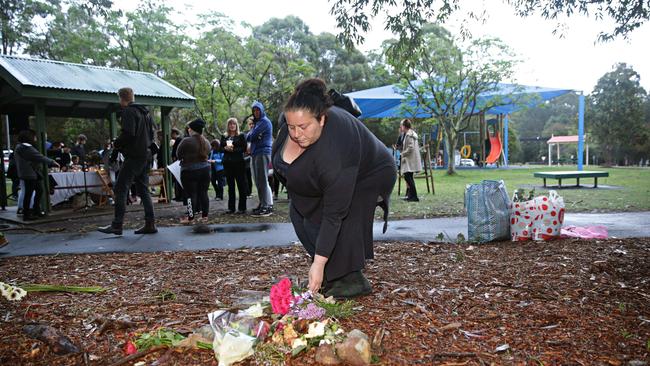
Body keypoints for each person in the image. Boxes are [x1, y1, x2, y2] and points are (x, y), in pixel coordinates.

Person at [272, 78, 396, 298]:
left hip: (371, 172)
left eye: (303, 127)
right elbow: (285, 170)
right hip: (337, 171)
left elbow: (333, 214)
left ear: (321, 119)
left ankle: (351, 279)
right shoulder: (288, 131)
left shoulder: (336, 147)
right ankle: (331, 273)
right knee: (300, 212)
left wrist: (317, 264)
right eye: (291, 127)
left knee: (344, 214)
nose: (296, 133)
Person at [98, 87, 157, 235]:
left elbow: (129, 133)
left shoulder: (129, 111)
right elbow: (151, 134)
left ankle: (117, 225)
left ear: (121, 98)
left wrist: (117, 143)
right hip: (146, 155)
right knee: (143, 189)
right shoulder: (146, 113)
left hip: (134, 155)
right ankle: (150, 224)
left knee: (120, 188)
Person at [14, 129, 59, 220]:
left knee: (39, 190)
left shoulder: (21, 147)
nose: (35, 138)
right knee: (29, 193)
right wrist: (52, 161)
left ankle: (35, 210)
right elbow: (38, 156)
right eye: (34, 136)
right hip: (29, 173)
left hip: (32, 172)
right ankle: (27, 214)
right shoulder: (25, 148)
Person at [176, 119, 211, 224]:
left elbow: (178, 154)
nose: (188, 130)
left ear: (192, 130)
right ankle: (205, 216)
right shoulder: (206, 141)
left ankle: (191, 217)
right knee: (204, 193)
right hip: (205, 170)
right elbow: (208, 152)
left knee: (190, 195)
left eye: (189, 128)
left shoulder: (186, 141)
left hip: (189, 171)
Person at [247, 102, 274, 217]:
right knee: (258, 181)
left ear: (262, 110)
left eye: (258, 110)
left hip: (262, 153)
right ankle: (262, 203)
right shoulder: (257, 123)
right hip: (255, 153)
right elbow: (248, 137)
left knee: (262, 180)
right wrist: (253, 133)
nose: (256, 112)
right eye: (254, 110)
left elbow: (251, 136)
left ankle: (266, 207)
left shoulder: (264, 122)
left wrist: (253, 133)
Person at [221, 117, 248, 214]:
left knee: (241, 185)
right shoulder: (224, 136)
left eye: (234, 124)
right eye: (230, 124)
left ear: (236, 125)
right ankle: (231, 208)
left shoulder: (241, 136)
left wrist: (234, 150)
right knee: (231, 186)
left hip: (238, 163)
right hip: (227, 163)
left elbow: (244, 149)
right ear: (228, 126)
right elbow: (220, 147)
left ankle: (242, 208)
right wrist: (225, 148)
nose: (232, 125)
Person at [399, 119, 422, 202]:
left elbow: (410, 148)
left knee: (407, 177)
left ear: (404, 126)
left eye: (401, 125)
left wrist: (402, 154)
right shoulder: (409, 134)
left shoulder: (409, 135)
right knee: (409, 177)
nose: (400, 127)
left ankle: (414, 196)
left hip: (410, 159)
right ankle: (411, 196)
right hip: (410, 159)